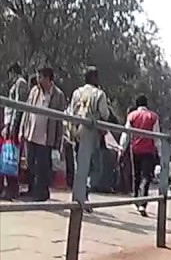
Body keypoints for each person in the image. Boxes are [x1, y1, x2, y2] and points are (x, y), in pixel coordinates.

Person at [19, 67, 67, 202]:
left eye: (41, 77)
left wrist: (58, 140)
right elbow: (27, 111)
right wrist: (23, 129)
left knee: (42, 166)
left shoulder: (58, 95)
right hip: (31, 133)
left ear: (48, 79)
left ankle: (41, 193)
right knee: (30, 163)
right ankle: (32, 190)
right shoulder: (34, 91)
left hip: (46, 137)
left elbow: (59, 120)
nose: (38, 80)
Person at [65, 66, 114, 196]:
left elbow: (71, 111)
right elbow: (105, 114)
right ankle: (85, 189)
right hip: (92, 133)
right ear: (94, 77)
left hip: (76, 132)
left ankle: (78, 194)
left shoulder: (77, 92)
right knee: (96, 167)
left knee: (79, 165)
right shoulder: (99, 94)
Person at [126, 95, 161, 216]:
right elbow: (156, 136)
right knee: (146, 177)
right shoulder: (153, 117)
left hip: (135, 149)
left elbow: (126, 133)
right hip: (148, 151)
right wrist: (160, 153)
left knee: (136, 175)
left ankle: (136, 199)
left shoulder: (132, 116)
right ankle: (142, 204)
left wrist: (122, 148)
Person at [2, 62, 29, 200]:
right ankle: (11, 188)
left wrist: (13, 126)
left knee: (11, 158)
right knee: (9, 157)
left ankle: (12, 188)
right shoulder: (16, 84)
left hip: (14, 126)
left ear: (13, 72)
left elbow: (18, 107)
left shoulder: (20, 83)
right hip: (10, 124)